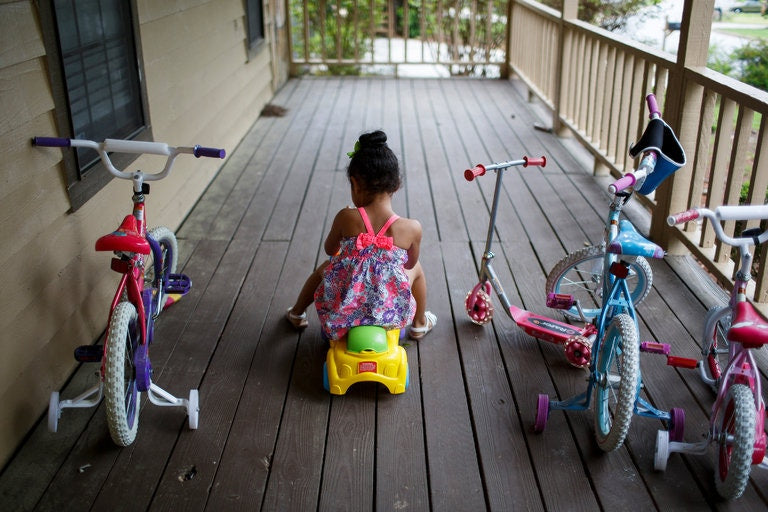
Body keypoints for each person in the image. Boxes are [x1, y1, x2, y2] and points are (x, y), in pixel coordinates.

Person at [285, 130, 436, 341]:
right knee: (418, 269)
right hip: (389, 311)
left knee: (325, 268)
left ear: (355, 184)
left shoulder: (346, 217)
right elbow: (410, 264)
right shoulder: (412, 227)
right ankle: (419, 324)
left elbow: (330, 250)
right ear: (397, 185)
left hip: (344, 309)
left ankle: (297, 313)